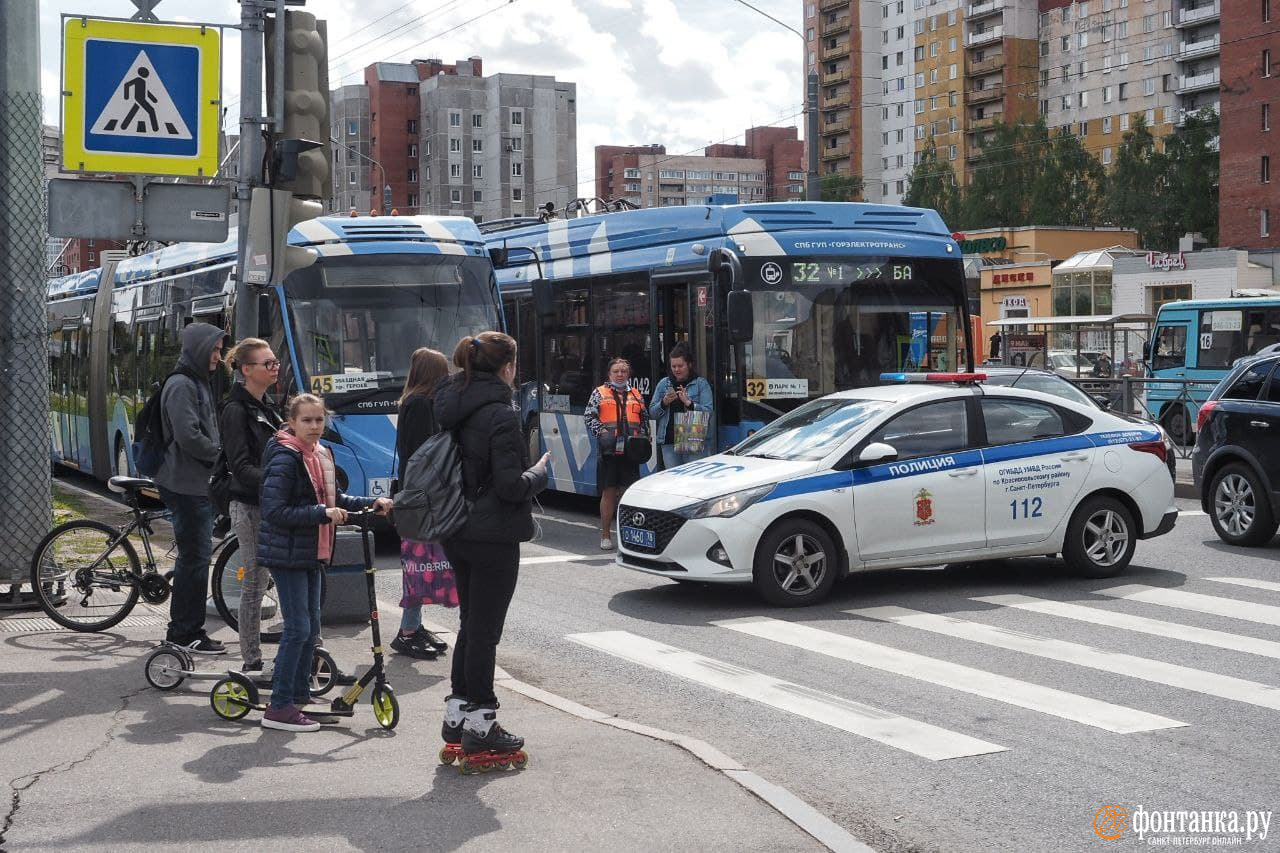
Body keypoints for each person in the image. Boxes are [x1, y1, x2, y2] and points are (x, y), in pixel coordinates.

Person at [434, 332, 550, 757]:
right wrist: (539, 473)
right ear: (508, 367)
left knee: (470, 624)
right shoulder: (501, 413)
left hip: (454, 528)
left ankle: (457, 714)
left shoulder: (448, 403)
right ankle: (482, 722)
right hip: (493, 535)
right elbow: (509, 485)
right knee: (485, 631)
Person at [257, 394, 392, 732]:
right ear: (291, 422)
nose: (315, 426)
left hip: (313, 551)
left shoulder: (320, 454)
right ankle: (279, 706)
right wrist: (321, 513)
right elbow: (274, 510)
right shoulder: (286, 457)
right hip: (287, 553)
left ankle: (300, 693)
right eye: (307, 420)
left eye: (319, 420)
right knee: (298, 629)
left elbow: (335, 499)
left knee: (311, 627)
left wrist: (370, 502)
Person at [156, 322, 228, 655]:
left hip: (195, 482)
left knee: (195, 559)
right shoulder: (182, 385)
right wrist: (221, 457)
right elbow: (188, 437)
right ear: (200, 349)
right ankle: (184, 633)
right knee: (195, 561)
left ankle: (187, 630)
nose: (219, 356)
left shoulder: (198, 382)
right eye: (214, 349)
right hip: (185, 484)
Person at [220, 338, 283, 679]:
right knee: (255, 584)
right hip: (250, 507)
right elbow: (240, 466)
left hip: (272, 505)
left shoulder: (268, 405)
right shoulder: (235, 410)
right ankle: (252, 659)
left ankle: (296, 653)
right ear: (247, 370)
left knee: (277, 578)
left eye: (275, 362)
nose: (275, 367)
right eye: (267, 363)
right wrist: (280, 481)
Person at [392, 347, 452, 660]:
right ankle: (407, 631)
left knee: (421, 563)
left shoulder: (418, 401)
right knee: (417, 564)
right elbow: (421, 453)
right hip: (419, 499)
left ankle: (412, 625)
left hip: (418, 497)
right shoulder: (419, 404)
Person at [585, 358, 648, 550]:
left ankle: (628, 535)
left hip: (632, 451)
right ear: (609, 374)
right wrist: (602, 433)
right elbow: (589, 416)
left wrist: (646, 438)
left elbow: (644, 419)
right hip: (609, 450)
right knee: (609, 492)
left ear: (629, 374)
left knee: (629, 494)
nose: (620, 374)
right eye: (616, 371)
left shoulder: (636, 394)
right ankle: (606, 535)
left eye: (623, 371)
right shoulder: (599, 392)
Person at [649, 342, 714, 469]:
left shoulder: (701, 384)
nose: (676, 370)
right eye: (673, 366)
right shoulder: (663, 384)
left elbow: (709, 412)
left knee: (693, 479)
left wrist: (689, 403)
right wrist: (664, 402)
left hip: (692, 437)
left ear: (689, 365)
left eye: (680, 366)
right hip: (669, 440)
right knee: (674, 481)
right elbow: (652, 412)